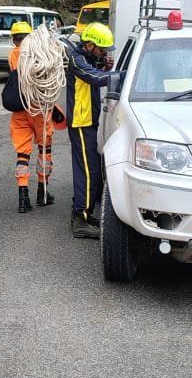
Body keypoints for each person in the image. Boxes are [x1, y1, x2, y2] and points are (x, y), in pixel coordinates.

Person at [64, 22, 114, 238]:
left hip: (87, 121)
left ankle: (84, 213)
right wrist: (124, 75)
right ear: (90, 45)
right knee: (87, 171)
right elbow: (94, 78)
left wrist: (105, 67)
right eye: (102, 50)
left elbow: (97, 73)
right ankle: (80, 220)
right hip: (81, 123)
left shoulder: (87, 58)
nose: (104, 54)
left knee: (90, 170)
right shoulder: (77, 60)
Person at [7, 21, 55, 214]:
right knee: (45, 149)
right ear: (29, 37)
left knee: (22, 154)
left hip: (19, 110)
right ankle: (42, 193)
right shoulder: (38, 54)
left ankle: (23, 197)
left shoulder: (12, 55)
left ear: (14, 39)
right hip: (39, 110)